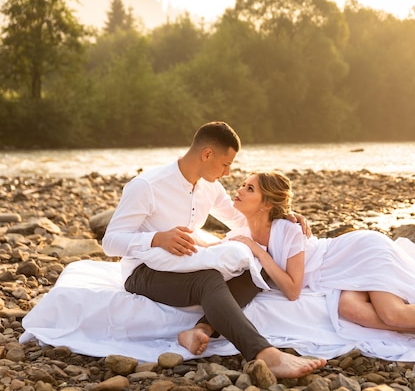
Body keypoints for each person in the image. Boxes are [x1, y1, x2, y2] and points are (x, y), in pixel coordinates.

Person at [101, 122, 325, 378]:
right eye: (225, 164)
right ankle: (264, 353)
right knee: (208, 279)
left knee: (253, 267)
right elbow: (110, 241)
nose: (228, 173)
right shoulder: (147, 186)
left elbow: (243, 220)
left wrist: (283, 216)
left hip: (183, 264)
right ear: (207, 154)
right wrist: (156, 238)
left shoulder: (210, 187)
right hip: (144, 271)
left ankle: (200, 329)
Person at [223, 171, 415, 357]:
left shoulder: (286, 228)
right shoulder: (246, 231)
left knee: (391, 312)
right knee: (351, 311)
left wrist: (256, 250)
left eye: (249, 188)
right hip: (338, 277)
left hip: (357, 253)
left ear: (265, 203)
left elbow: (292, 290)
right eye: (243, 184)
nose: (239, 189)